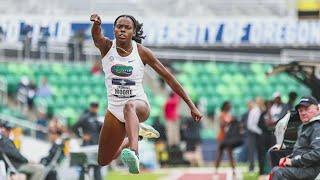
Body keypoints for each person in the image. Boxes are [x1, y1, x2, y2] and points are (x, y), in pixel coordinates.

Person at [90, 14, 202, 174]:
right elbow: (96, 36)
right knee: (103, 160)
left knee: (129, 106)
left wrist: (191, 106)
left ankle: (135, 153)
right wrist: (96, 25)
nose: (122, 30)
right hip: (114, 109)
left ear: (134, 32)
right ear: (114, 30)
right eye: (119, 26)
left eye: (127, 27)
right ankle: (132, 138)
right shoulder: (107, 47)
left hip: (138, 104)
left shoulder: (142, 52)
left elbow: (169, 78)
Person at [270, 96, 320, 180]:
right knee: (274, 156)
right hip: (303, 166)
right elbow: (301, 149)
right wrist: (289, 158)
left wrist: (293, 161)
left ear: (317, 109)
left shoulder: (317, 127)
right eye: (300, 110)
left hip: (313, 169)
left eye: (307, 109)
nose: (303, 113)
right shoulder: (303, 126)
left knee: (278, 172)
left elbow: (317, 153)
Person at [72, 102, 102, 180]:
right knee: (85, 167)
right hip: (87, 146)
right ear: (90, 107)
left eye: (96, 107)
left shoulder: (98, 117)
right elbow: (74, 127)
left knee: (97, 168)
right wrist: (82, 136)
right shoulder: (85, 117)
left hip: (96, 146)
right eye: (93, 107)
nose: (95, 108)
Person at [215, 101, 236, 175]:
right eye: (229, 106)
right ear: (225, 106)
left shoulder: (229, 115)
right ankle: (216, 170)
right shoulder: (221, 114)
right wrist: (229, 122)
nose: (230, 107)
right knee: (220, 154)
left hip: (229, 137)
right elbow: (222, 125)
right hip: (222, 137)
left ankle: (234, 170)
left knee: (230, 154)